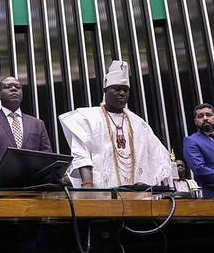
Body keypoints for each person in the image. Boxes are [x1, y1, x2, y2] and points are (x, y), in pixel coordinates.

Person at [59, 60, 171, 188]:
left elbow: (159, 156)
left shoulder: (138, 123)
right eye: (117, 89)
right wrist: (87, 185)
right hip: (99, 191)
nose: (122, 93)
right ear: (105, 90)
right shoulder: (88, 118)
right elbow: (81, 154)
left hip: (136, 192)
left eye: (125, 90)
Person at [0, 76, 52, 180]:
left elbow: (46, 155)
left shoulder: (37, 124)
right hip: (0, 185)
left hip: (34, 184)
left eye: (18, 87)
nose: (14, 89)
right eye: (8, 87)